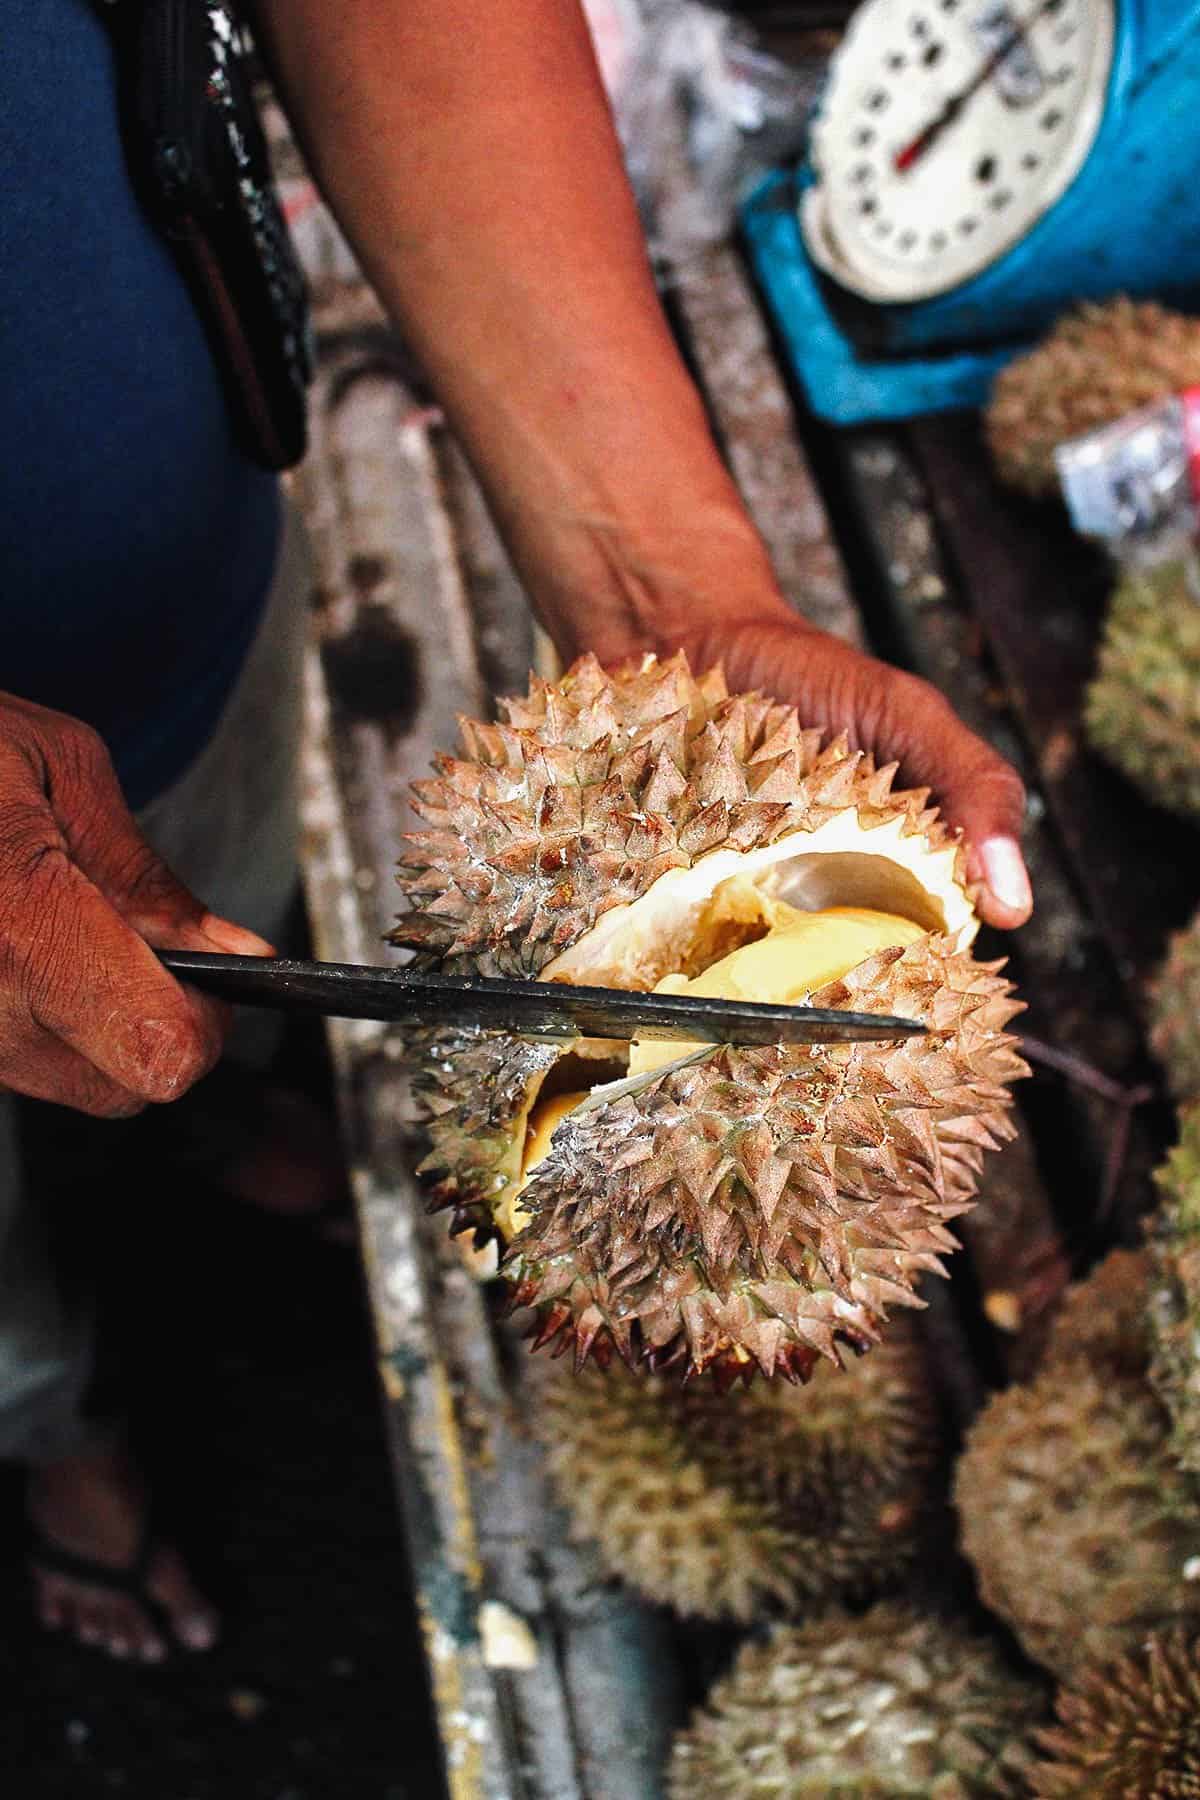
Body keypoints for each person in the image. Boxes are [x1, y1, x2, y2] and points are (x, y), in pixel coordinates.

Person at [0, 0, 1032, 1664]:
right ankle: (63, 1448)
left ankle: (216, 1140)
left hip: (187, 560)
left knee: (204, 955)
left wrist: (663, 593)